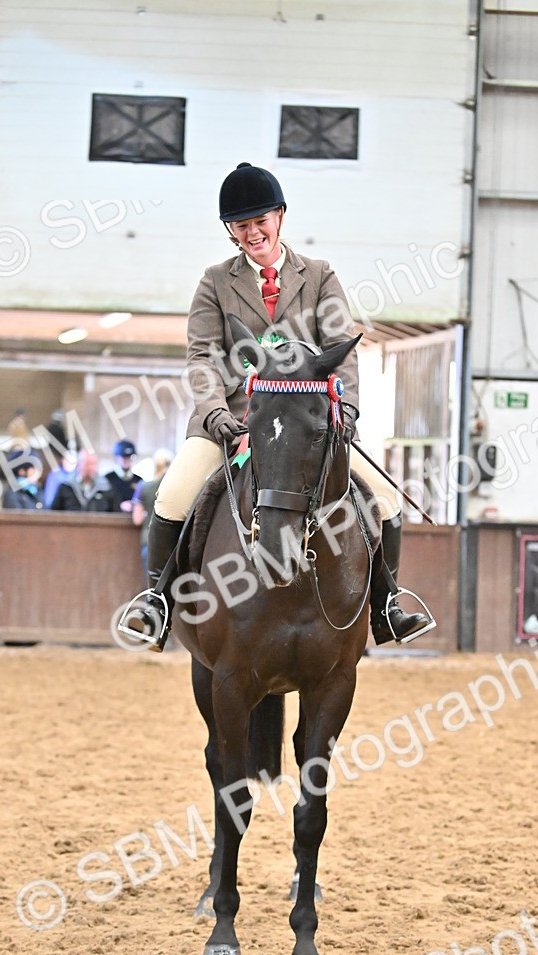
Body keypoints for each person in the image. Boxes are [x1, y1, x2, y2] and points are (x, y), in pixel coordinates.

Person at [131, 162, 435, 651]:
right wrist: (214, 413)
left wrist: (347, 410)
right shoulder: (215, 282)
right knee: (172, 496)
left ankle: (386, 606)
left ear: (280, 216)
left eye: (260, 221)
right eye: (241, 226)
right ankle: (156, 603)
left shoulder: (318, 276)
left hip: (307, 423)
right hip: (232, 421)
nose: (252, 233)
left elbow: (341, 345)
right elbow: (202, 355)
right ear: (231, 231)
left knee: (386, 498)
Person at [132, 449, 174, 579]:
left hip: (149, 538)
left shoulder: (143, 486)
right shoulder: (174, 487)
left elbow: (137, 519)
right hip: (172, 540)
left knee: (152, 583)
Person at [50, 450, 115, 512]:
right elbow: (54, 512)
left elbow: (115, 513)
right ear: (79, 465)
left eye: (94, 464)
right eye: (88, 464)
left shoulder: (106, 487)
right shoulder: (66, 486)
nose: (91, 468)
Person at [105, 439, 139, 512]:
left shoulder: (139, 480)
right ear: (116, 457)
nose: (126, 460)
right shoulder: (107, 479)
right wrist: (119, 505)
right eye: (123, 457)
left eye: (129, 457)